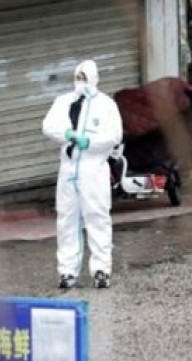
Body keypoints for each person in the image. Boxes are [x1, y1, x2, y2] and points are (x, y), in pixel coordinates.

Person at [42, 59, 123, 289]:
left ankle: (101, 270)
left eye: (84, 78)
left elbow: (114, 135)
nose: (81, 82)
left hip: (93, 169)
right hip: (68, 170)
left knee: (97, 219)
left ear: (94, 79)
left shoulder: (106, 105)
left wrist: (90, 142)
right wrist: (67, 133)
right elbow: (48, 126)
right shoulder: (64, 102)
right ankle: (67, 271)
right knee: (66, 220)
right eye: (78, 77)